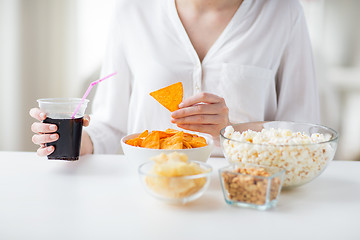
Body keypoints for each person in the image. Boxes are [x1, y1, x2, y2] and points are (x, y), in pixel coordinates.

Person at [30, 0, 320, 157]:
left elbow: (305, 133)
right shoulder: (132, 11)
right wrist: (76, 140)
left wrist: (231, 131)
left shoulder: (284, 12)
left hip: (244, 190)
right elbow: (113, 126)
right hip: (147, 190)